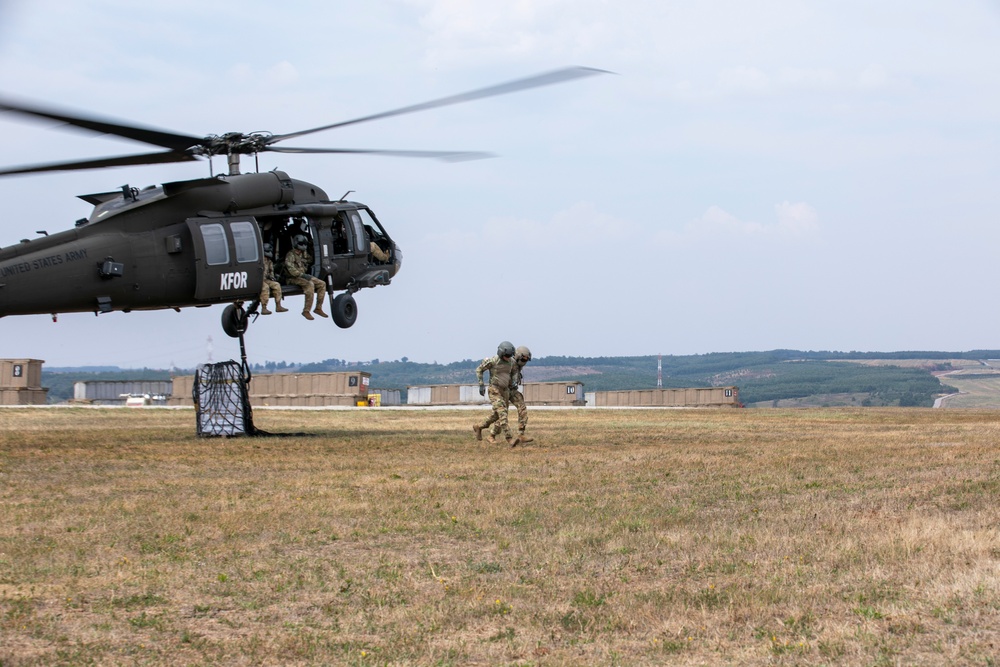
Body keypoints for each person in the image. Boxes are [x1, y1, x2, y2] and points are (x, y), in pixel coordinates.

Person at [472, 341, 521, 447]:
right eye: (506, 355)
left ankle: (479, 427)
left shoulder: (512, 362)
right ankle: (510, 439)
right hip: (495, 390)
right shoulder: (493, 361)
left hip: (505, 391)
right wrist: (481, 384)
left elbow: (514, 372)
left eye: (510, 355)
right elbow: (479, 369)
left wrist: (513, 382)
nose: (508, 357)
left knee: (496, 415)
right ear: (501, 353)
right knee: (502, 414)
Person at [284, 234, 328, 320]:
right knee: (309, 285)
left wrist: (309, 252)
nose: (300, 250)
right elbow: (291, 270)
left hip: (303, 276)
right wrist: (302, 275)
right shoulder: (290, 255)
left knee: (322, 284)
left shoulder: (303, 253)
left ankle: (318, 308)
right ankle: (306, 311)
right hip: (292, 278)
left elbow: (310, 259)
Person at [507, 346, 533, 442]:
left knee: (522, 409)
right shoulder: (508, 364)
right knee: (499, 415)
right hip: (504, 391)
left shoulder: (518, 366)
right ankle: (491, 434)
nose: (525, 361)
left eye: (526, 359)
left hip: (513, 391)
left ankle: (521, 434)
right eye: (523, 358)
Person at [258, 243, 288, 315]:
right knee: (265, 287)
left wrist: (272, 277)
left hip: (266, 279)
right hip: (259, 280)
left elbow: (271, 271)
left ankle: (278, 306)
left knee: (276, 285)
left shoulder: (269, 262)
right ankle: (264, 308)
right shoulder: (259, 261)